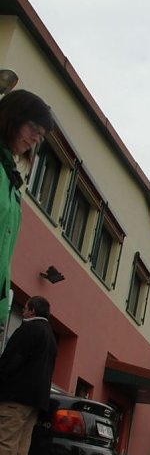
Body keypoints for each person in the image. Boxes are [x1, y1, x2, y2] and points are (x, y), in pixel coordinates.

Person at [0, 90, 54, 328]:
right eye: (33, 128)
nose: (35, 139)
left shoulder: (11, 181)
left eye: (40, 136)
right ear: (12, 116)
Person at [0, 296, 57, 455]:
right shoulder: (51, 337)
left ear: (32, 310)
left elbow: (13, 359)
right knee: (22, 445)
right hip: (36, 401)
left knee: (5, 440)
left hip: (16, 396)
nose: (23, 312)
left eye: (25, 308)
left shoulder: (29, 329)